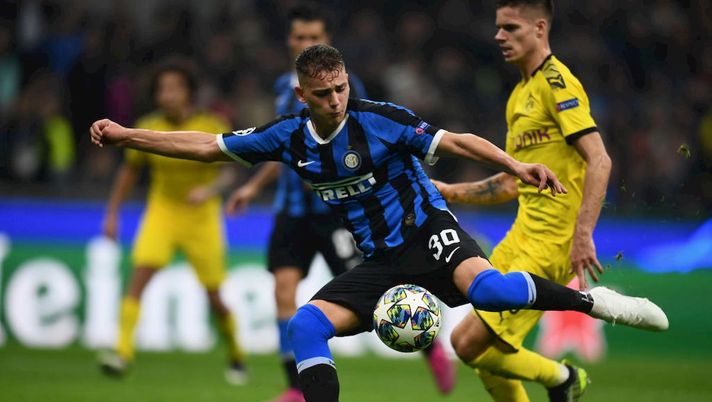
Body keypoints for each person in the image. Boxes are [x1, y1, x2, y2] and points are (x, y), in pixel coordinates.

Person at [89, 44, 668, 402]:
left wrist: (515, 165)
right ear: (302, 95)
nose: (336, 101)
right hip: (383, 262)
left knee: (489, 292)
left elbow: (455, 139)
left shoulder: (381, 120)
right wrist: (126, 136)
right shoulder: (287, 138)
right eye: (324, 94)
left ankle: (598, 303)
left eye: (341, 88)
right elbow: (206, 146)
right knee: (305, 327)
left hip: (430, 233)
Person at [225, 5, 454, 401]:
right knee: (283, 290)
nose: (305, 43)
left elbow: (365, 143)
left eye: (313, 37)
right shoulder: (284, 88)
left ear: (327, 41)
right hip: (291, 210)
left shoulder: (345, 88)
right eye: (299, 37)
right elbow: (280, 146)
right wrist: (253, 185)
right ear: (289, 41)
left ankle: (429, 345)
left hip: (339, 212)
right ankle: (295, 387)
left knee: (380, 294)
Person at [433, 1, 613, 401]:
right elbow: (514, 183)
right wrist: (449, 191)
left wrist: (583, 234)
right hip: (520, 236)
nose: (499, 36)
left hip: (551, 243)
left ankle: (563, 377)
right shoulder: (519, 95)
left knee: (467, 343)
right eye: (499, 27)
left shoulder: (557, 83)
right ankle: (560, 380)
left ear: (539, 28)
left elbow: (600, 159)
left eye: (511, 27)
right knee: (484, 352)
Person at [97, 59, 248, 385]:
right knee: (139, 278)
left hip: (201, 218)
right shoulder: (147, 125)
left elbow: (229, 172)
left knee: (215, 297)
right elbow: (129, 171)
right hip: (162, 211)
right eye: (162, 89)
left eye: (175, 88)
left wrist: (208, 190)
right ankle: (122, 352)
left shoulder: (211, 123)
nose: (168, 95)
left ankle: (236, 353)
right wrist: (112, 213)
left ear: (189, 92)